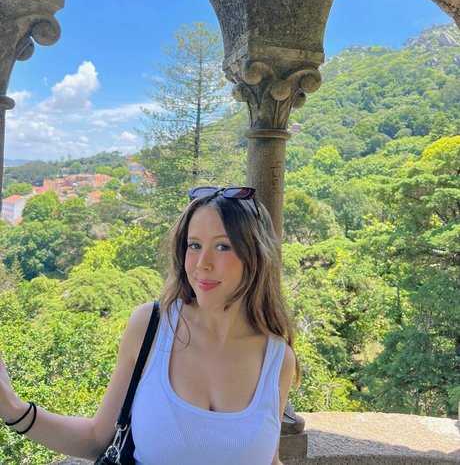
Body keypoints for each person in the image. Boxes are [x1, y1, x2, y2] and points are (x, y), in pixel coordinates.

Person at [0, 186, 299, 464]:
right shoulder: (151, 328)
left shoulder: (277, 359)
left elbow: (268, 459)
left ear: (256, 255)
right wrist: (13, 409)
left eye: (223, 246)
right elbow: (96, 438)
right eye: (194, 245)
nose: (202, 263)